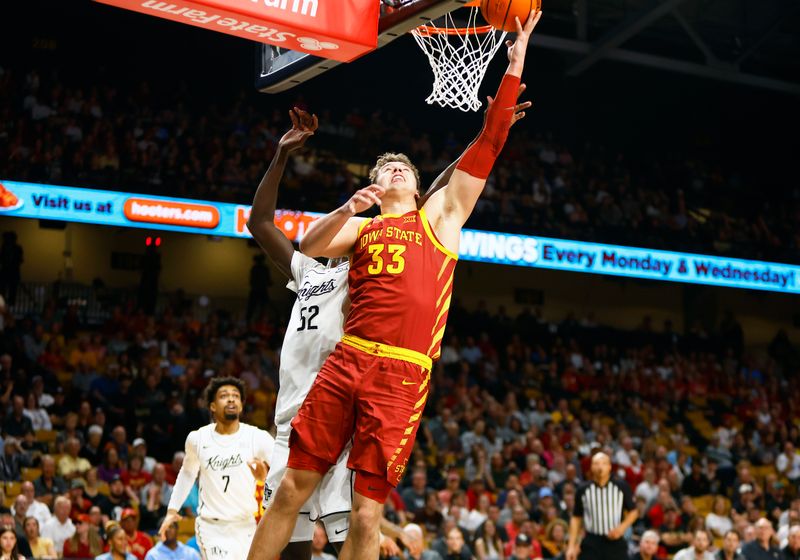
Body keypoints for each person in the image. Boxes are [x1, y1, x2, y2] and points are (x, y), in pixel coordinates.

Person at [247, 12, 539, 560]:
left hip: (402, 371)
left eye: (403, 165)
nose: (394, 168)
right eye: (384, 167)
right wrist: (347, 206)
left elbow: (489, 144)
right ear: (374, 185)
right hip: (347, 360)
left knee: (367, 510)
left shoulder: (441, 219)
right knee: (291, 486)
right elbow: (307, 246)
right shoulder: (361, 226)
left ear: (420, 182)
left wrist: (515, 63)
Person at [246, 107, 352, 559]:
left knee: (352, 537)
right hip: (291, 422)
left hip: (339, 418)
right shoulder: (307, 271)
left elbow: (428, 211)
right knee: (291, 548)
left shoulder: (365, 274)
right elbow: (260, 223)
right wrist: (280, 156)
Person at [158, 377, 274, 560]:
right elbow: (187, 473)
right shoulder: (198, 438)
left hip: (246, 525)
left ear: (242, 405)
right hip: (212, 527)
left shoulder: (258, 437)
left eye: (236, 396)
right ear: (212, 406)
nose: (231, 399)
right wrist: (172, 510)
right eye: (224, 395)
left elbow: (283, 472)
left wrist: (264, 478)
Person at [567, 452, 638, 560]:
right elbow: (576, 517)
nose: (600, 467)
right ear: (591, 467)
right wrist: (571, 546)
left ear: (609, 467)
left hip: (615, 541)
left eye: (604, 463)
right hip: (591, 540)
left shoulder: (621, 486)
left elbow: (634, 511)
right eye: (596, 463)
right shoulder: (582, 490)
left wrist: (622, 528)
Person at [246, 255, 272, 321]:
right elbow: (268, 281)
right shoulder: (263, 269)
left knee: (253, 308)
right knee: (262, 308)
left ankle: (252, 321)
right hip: (261, 291)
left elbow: (251, 281)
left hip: (256, 291)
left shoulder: (255, 268)